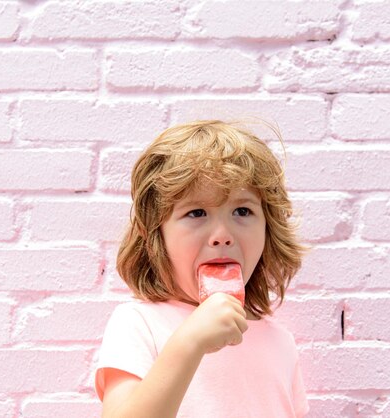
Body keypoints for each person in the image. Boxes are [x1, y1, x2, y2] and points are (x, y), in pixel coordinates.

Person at [95, 120, 309, 418]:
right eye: (196, 213)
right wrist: (190, 342)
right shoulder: (139, 324)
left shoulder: (281, 342)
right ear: (154, 232)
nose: (222, 234)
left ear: (268, 228)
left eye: (242, 211)